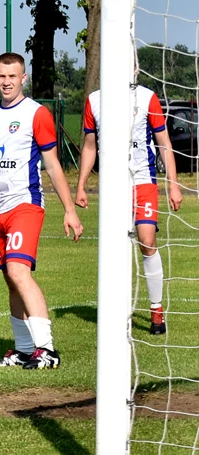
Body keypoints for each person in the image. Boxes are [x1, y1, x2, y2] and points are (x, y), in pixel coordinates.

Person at [0, 52, 83, 370]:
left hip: (25, 204)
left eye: (13, 76)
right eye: (1, 76)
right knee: (11, 280)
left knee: (18, 272)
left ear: (23, 78)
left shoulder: (36, 114)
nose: (6, 82)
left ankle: (47, 350)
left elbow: (52, 165)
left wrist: (69, 210)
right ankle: (24, 351)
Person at [75, 85, 182, 334]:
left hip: (143, 181)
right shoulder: (95, 100)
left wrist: (173, 185)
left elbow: (163, 142)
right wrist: (81, 185)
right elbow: (90, 145)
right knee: (114, 248)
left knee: (147, 240)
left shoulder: (147, 98)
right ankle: (117, 312)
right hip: (113, 187)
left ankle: (156, 309)